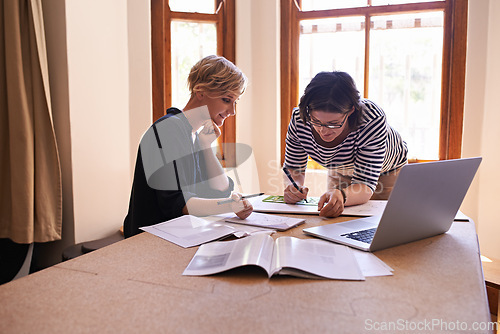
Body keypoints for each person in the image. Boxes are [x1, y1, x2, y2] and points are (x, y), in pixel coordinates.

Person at [124, 55, 253, 237]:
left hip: (180, 236)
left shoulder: (195, 135)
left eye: (235, 102)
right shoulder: (168, 130)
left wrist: (206, 147)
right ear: (200, 92)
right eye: (226, 100)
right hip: (150, 242)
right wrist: (230, 206)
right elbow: (179, 204)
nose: (232, 111)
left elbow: (221, 189)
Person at [283, 71, 408, 218]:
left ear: (351, 111)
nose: (323, 131)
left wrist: (343, 195)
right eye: (316, 121)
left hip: (386, 171)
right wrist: (293, 186)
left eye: (334, 123)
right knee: (333, 217)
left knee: (383, 224)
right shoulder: (300, 119)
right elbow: (293, 166)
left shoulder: (371, 119)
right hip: (340, 168)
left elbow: (365, 185)